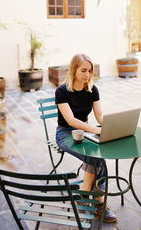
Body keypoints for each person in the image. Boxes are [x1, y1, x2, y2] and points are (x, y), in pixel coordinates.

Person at [55, 53, 117, 223]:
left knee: (97, 158)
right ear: (74, 70)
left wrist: (113, 123)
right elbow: (70, 120)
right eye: (83, 70)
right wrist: (93, 130)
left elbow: (100, 117)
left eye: (90, 70)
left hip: (85, 133)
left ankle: (85, 195)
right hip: (66, 133)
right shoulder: (62, 91)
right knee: (96, 159)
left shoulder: (92, 89)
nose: (87, 74)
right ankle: (99, 202)